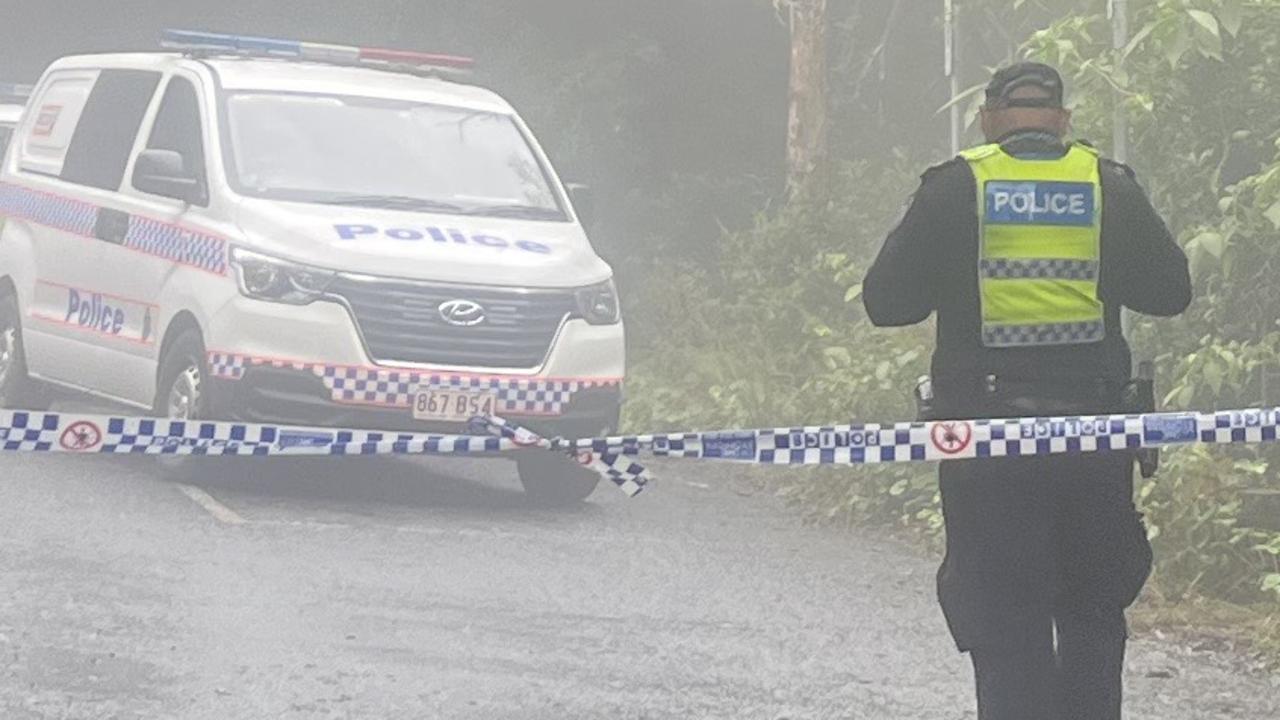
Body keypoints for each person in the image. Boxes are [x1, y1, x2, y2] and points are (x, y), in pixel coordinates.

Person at [862, 62, 1192, 720]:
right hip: (1097, 443)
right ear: (1064, 120)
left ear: (987, 120)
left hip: (987, 448)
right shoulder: (1108, 186)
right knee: (1093, 615)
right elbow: (1170, 293)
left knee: (1006, 619)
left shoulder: (954, 188)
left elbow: (886, 303)